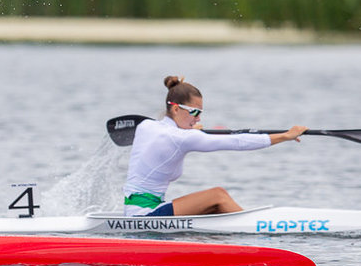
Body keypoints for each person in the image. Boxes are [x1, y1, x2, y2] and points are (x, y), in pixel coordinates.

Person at [123, 76, 307, 217]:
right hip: (145, 215)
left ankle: (227, 238)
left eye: (200, 113)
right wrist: (285, 136)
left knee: (215, 207)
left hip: (134, 210)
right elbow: (237, 142)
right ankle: (257, 232)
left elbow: (170, 136)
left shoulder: (146, 126)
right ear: (176, 109)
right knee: (218, 195)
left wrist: (191, 129)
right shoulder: (183, 137)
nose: (198, 118)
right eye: (194, 112)